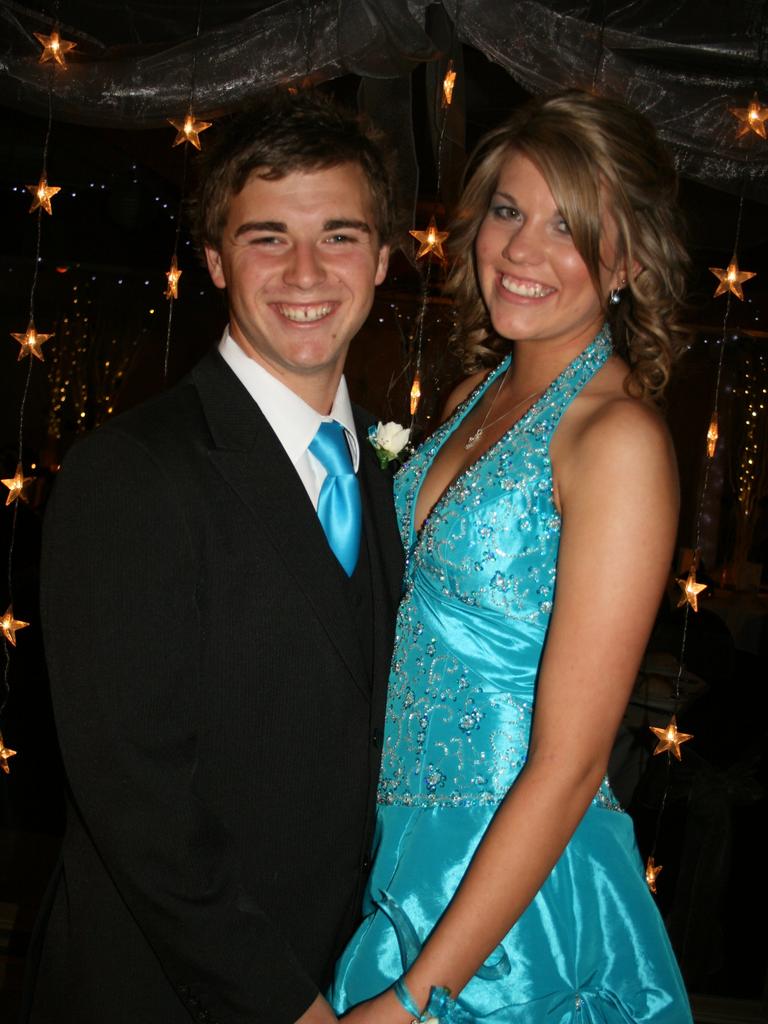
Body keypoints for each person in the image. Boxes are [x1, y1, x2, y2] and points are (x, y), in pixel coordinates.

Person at [23, 91, 404, 1024]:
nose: (306, 270)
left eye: (340, 236)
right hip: (174, 992)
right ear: (213, 259)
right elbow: (135, 795)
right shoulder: (132, 472)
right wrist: (289, 1006)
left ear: (384, 259)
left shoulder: (399, 469)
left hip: (359, 973)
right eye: (267, 236)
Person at [330, 90, 693, 1022]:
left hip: (517, 896)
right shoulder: (469, 394)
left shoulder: (617, 440)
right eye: (508, 210)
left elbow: (570, 762)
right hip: (402, 852)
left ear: (625, 260)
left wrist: (417, 997)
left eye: (569, 227)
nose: (523, 251)